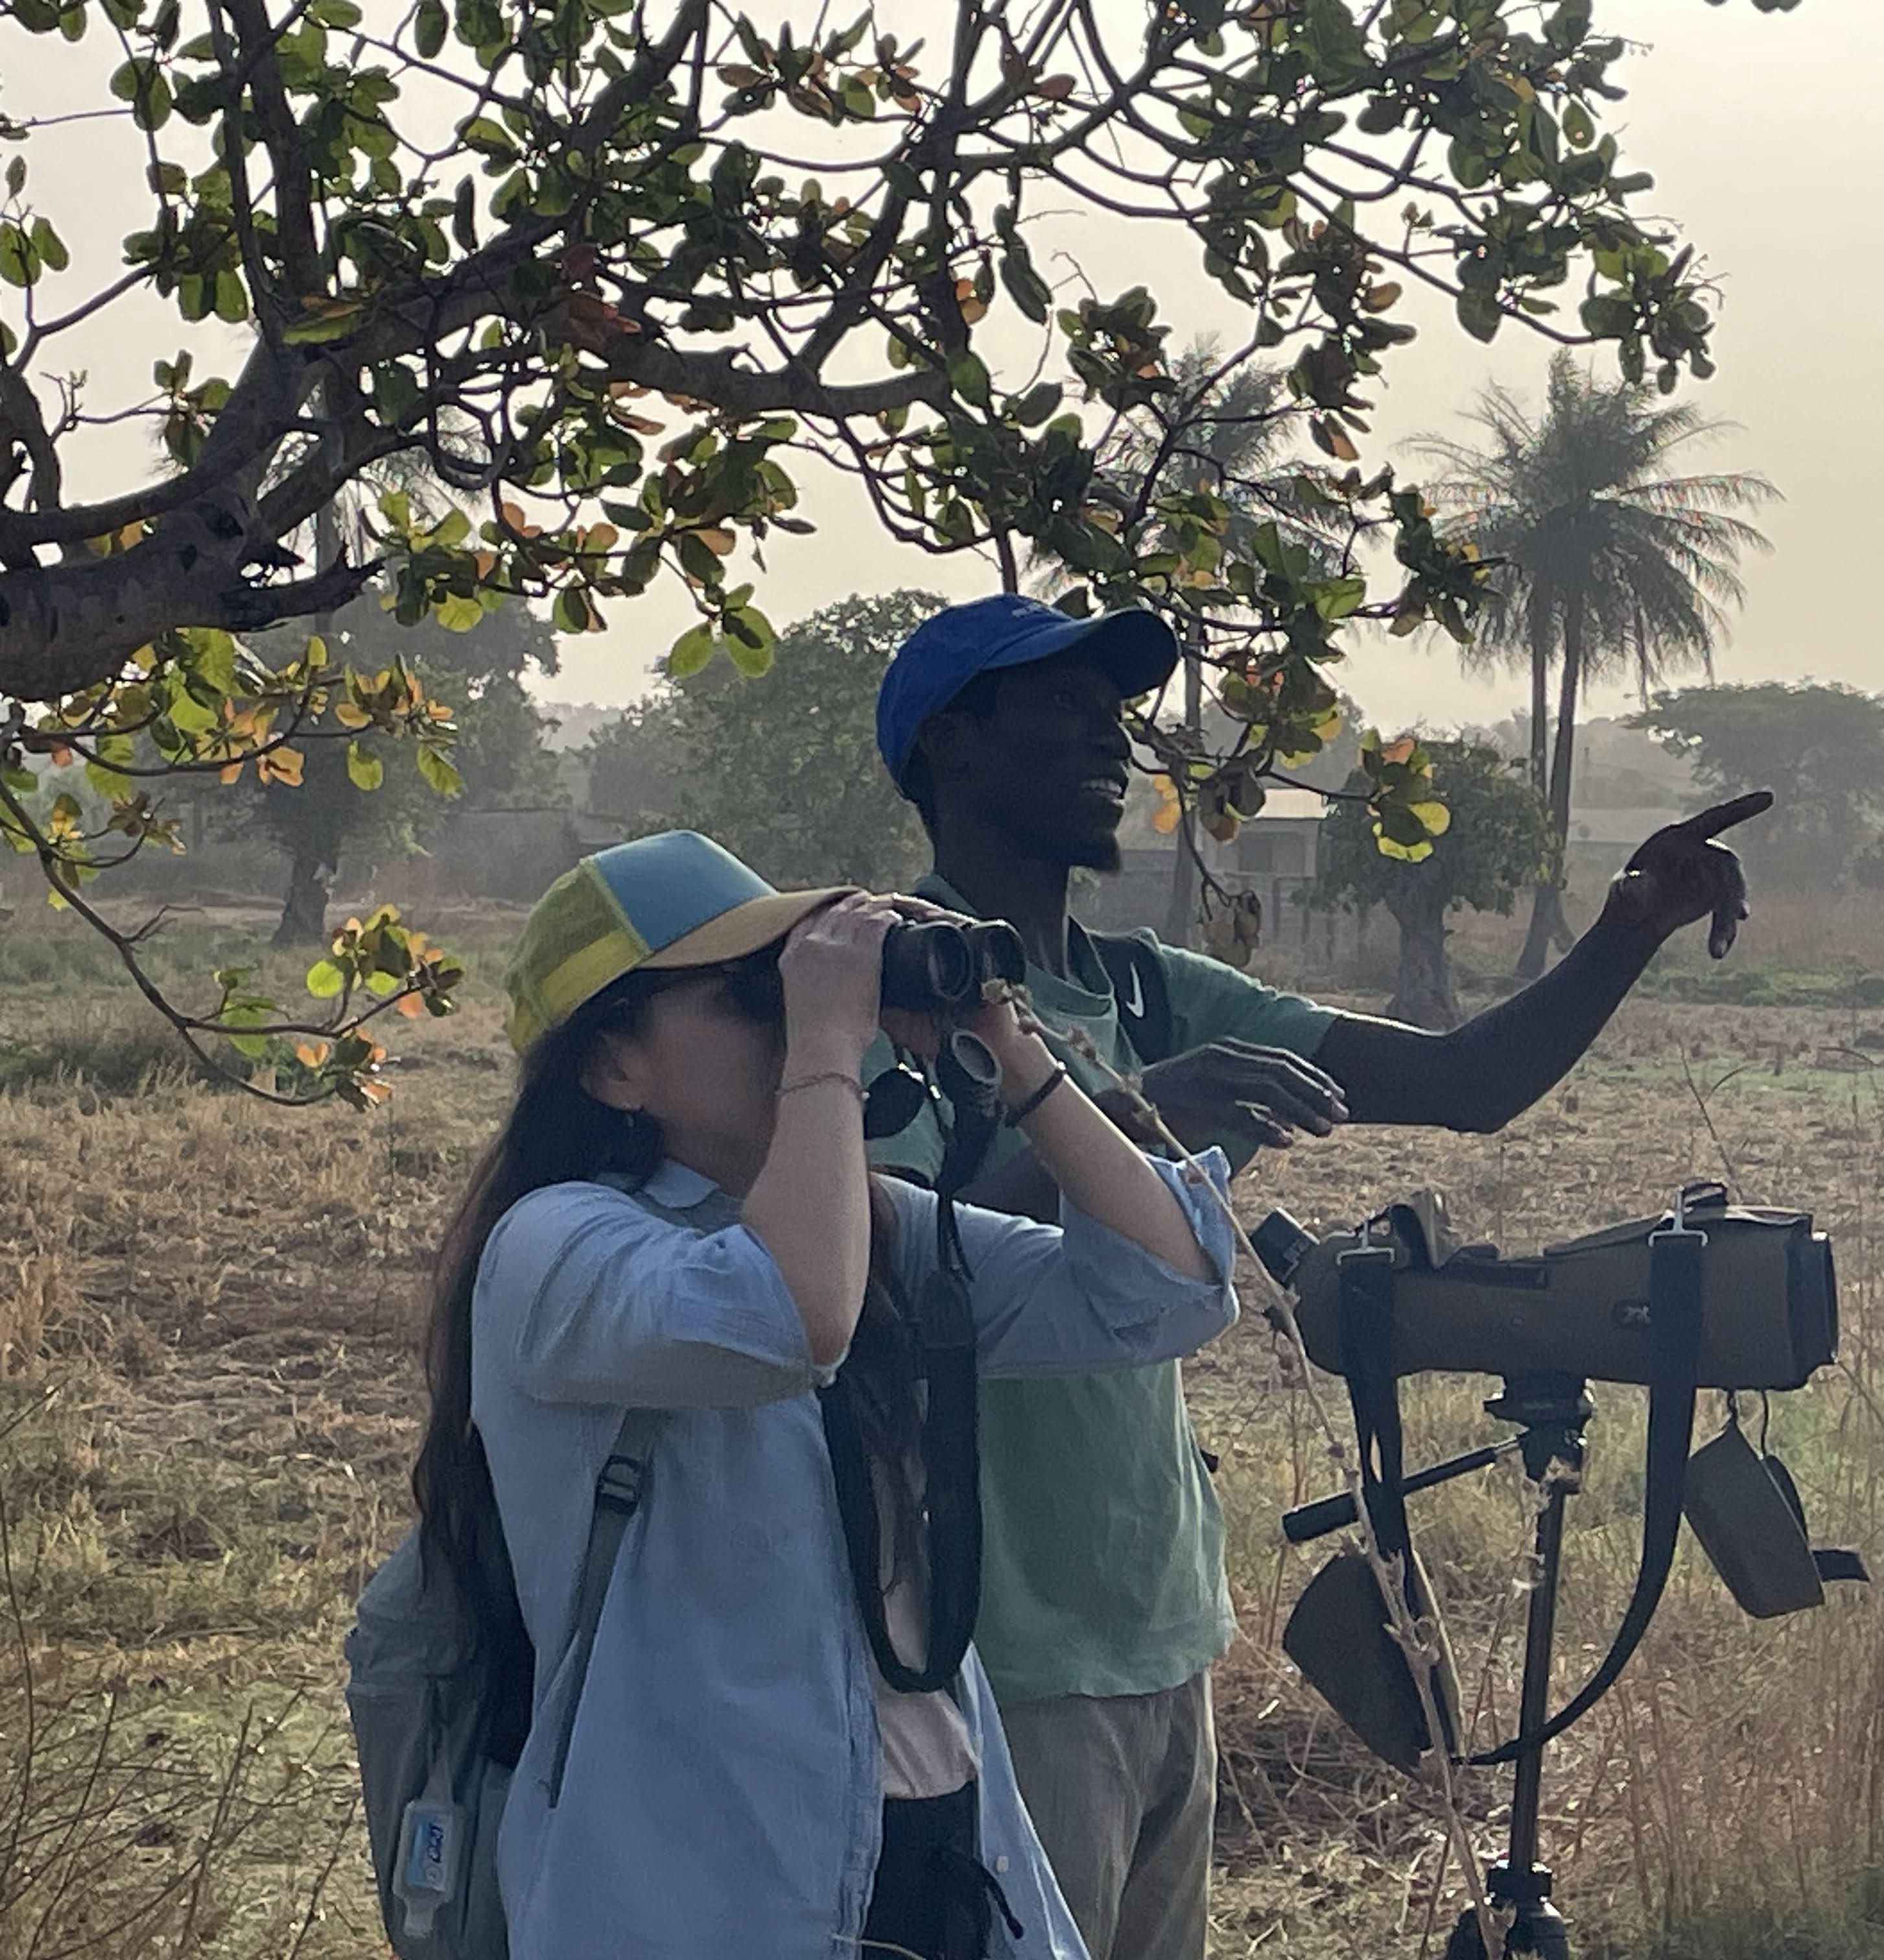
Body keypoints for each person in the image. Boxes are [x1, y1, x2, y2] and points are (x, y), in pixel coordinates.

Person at [866, 592, 1771, 1960]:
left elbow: (1466, 1084)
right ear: (948, 744)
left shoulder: (1148, 990)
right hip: (996, 1650)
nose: (1111, 739)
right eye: (1061, 706)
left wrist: (1626, 929)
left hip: (1161, 1619)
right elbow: (891, 1272)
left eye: (1115, 711)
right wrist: (1128, 1118)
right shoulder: (896, 986)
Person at [409, 828, 1243, 1959]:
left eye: (793, 979)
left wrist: (1009, 1044)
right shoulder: (556, 1247)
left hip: (941, 1842)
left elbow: (1166, 1290)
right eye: (750, 994)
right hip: (705, 1889)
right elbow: (791, 1318)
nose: (793, 1013)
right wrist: (826, 1048)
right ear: (612, 1069)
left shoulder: (874, 1229)